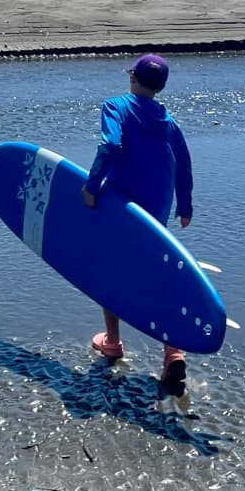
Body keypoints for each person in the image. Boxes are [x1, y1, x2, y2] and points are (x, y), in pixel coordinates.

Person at [81, 54, 194, 401]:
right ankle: (173, 352)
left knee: (107, 271)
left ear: (132, 78)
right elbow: (184, 164)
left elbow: (111, 144)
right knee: (154, 274)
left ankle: (113, 343)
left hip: (120, 205)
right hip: (156, 210)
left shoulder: (116, 106)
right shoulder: (168, 121)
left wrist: (91, 185)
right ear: (160, 87)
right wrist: (185, 206)